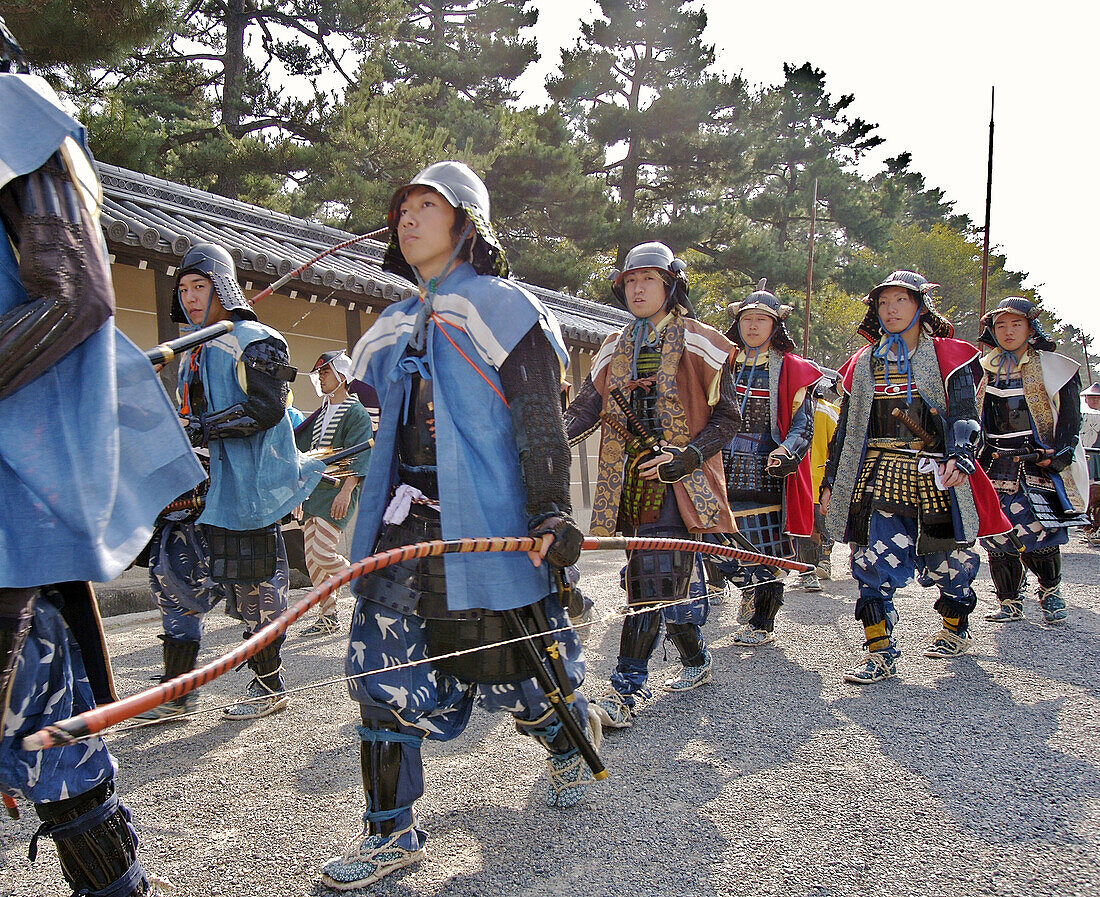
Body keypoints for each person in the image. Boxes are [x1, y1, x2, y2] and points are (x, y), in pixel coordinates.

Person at [322, 161, 594, 890]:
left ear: (465, 222)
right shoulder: (389, 324)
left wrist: (549, 508)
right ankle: (392, 835)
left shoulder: (505, 307)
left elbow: (540, 417)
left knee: (516, 672)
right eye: (400, 207)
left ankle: (566, 740)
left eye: (425, 206)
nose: (406, 218)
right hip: (403, 528)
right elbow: (381, 420)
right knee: (378, 675)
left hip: (488, 521)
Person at [0, 19, 205, 895]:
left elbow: (76, 294)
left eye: (200, 287)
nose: (191, 296)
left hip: (18, 497)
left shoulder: (11, 116)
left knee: (58, 739)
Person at [142, 241, 325, 720]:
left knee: (256, 589)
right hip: (194, 488)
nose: (190, 297)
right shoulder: (192, 348)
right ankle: (177, 693)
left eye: (199, 286)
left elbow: (267, 408)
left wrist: (203, 427)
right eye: (182, 289)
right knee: (173, 578)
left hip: (247, 489)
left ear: (221, 285)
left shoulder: (257, 339)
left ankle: (269, 686)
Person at [563, 242, 738, 729]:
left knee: (650, 583)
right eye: (630, 282)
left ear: (670, 285)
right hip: (629, 483)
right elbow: (585, 409)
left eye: (648, 280)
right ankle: (697, 658)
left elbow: (728, 417)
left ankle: (624, 690)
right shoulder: (614, 345)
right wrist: (549, 441)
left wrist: (685, 459)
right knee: (663, 583)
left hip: (681, 481)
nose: (637, 289)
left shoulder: (703, 342)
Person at [821, 271, 1009, 684]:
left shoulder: (949, 356)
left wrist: (960, 457)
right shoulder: (861, 364)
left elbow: (965, 416)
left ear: (920, 306)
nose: (890, 309)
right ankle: (880, 653)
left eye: (899, 301)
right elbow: (847, 429)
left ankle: (955, 628)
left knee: (951, 568)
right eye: (883, 302)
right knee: (870, 562)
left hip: (934, 476)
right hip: (875, 474)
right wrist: (831, 481)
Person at [718, 282, 822, 644]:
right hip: (721, 465)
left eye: (762, 319)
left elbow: (802, 424)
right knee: (713, 542)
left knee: (764, 550)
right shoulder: (722, 362)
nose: (753, 326)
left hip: (766, 468)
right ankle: (747, 589)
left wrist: (787, 452)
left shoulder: (793, 369)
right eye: (747, 318)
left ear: (775, 326)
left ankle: (763, 623)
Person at [976, 298, 1090, 624]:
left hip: (1034, 460)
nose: (1008, 331)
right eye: (1001, 325)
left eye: (1016, 324)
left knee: (1037, 530)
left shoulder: (1055, 367)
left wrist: (1062, 451)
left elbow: (1071, 417)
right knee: (995, 533)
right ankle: (1009, 600)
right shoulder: (984, 369)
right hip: (994, 462)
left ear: (1030, 327)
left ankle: (1050, 590)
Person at [293, 350, 373, 634]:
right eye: (320, 373)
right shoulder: (321, 414)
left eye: (326, 372)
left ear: (341, 375)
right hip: (314, 490)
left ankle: (363, 578)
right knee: (312, 559)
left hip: (338, 488)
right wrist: (298, 494)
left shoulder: (356, 412)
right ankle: (328, 617)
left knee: (323, 552)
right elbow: (303, 455)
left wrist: (347, 490)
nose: (321, 377)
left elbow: (360, 451)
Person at [799, 372, 841, 584]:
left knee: (807, 527)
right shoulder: (831, 412)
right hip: (822, 478)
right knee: (823, 524)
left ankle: (809, 568)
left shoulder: (796, 410)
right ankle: (823, 561)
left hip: (803, 479)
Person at [1080, 381, 1100, 543]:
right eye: (1090, 398)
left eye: (1096, 398)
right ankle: (1089, 526)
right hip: (1085, 458)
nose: (1093, 401)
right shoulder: (1080, 415)